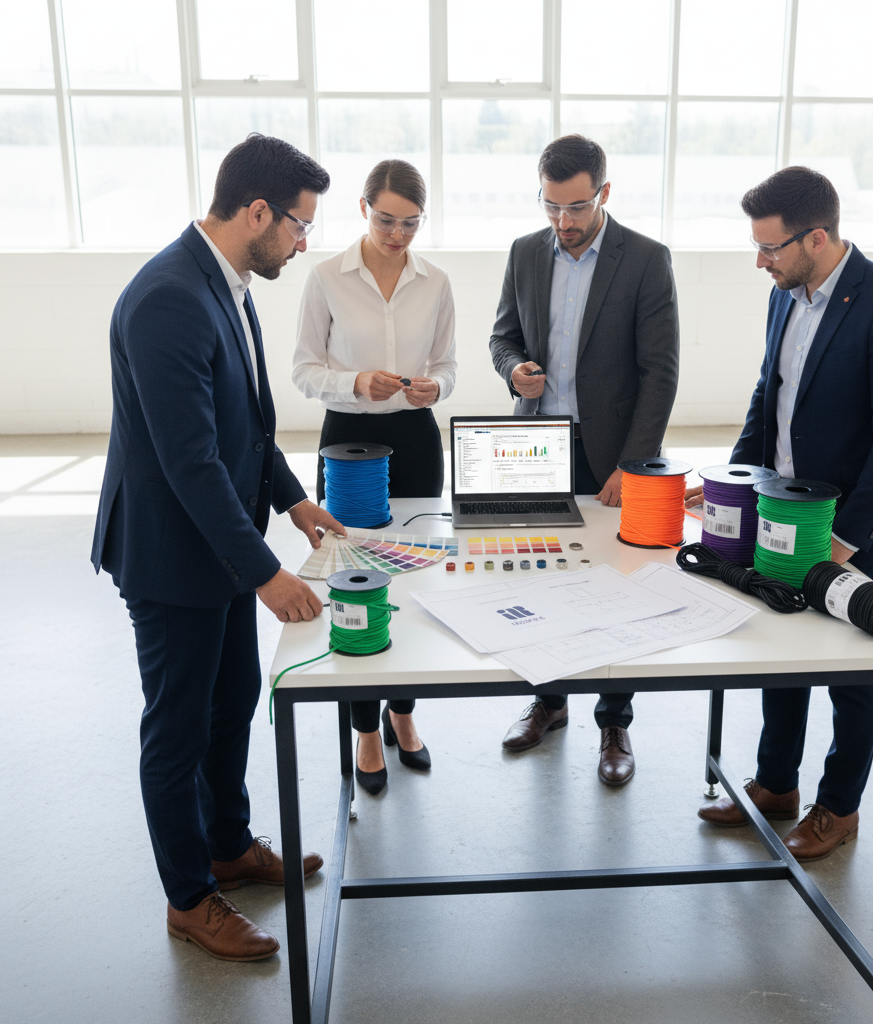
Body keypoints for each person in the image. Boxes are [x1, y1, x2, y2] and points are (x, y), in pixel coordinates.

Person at [91, 134, 345, 961]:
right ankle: (188, 896)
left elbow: (247, 425)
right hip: (171, 556)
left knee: (233, 699)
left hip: (223, 545)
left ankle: (228, 844)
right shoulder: (168, 296)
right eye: (299, 227)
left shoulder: (226, 281)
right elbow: (189, 461)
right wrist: (267, 573)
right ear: (257, 212)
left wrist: (294, 500)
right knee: (177, 730)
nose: (304, 243)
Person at [689, 166, 873, 861]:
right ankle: (775, 784)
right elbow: (770, 394)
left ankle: (838, 807)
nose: (760, 261)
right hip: (779, 509)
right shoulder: (785, 295)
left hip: (855, 527)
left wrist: (847, 541)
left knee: (851, 673)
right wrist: (732, 480)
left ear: (817, 237)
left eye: (771, 248)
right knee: (781, 654)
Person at [488, 134, 680, 786]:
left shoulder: (647, 260)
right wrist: (516, 372)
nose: (563, 222)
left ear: (603, 192)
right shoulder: (524, 252)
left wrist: (635, 464)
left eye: (575, 206)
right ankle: (548, 700)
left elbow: (660, 372)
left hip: (612, 458)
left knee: (614, 588)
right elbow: (503, 335)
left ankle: (615, 721)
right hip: (536, 448)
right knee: (539, 578)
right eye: (551, 206)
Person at [292, 159, 456, 796]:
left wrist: (434, 385)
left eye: (411, 223)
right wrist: (356, 382)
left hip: (416, 440)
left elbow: (448, 364)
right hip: (348, 445)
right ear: (363, 208)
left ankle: (404, 714)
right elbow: (305, 371)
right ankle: (365, 727)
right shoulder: (327, 277)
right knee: (355, 583)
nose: (398, 235)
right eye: (386, 220)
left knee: (413, 579)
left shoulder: (434, 281)